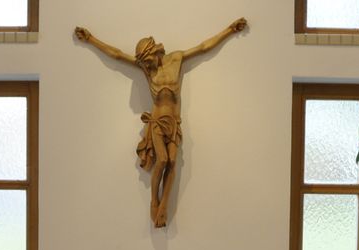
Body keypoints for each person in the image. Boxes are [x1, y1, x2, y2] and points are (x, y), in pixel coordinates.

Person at [75, 18, 248, 228]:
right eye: (143, 63)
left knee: (173, 161)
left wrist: (229, 30)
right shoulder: (147, 70)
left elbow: (203, 47)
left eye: (147, 60)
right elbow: (118, 55)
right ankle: (154, 200)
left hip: (174, 122)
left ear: (155, 53)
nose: (146, 66)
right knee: (163, 160)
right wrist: (91, 39)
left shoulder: (176, 59)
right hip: (157, 121)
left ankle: (164, 204)